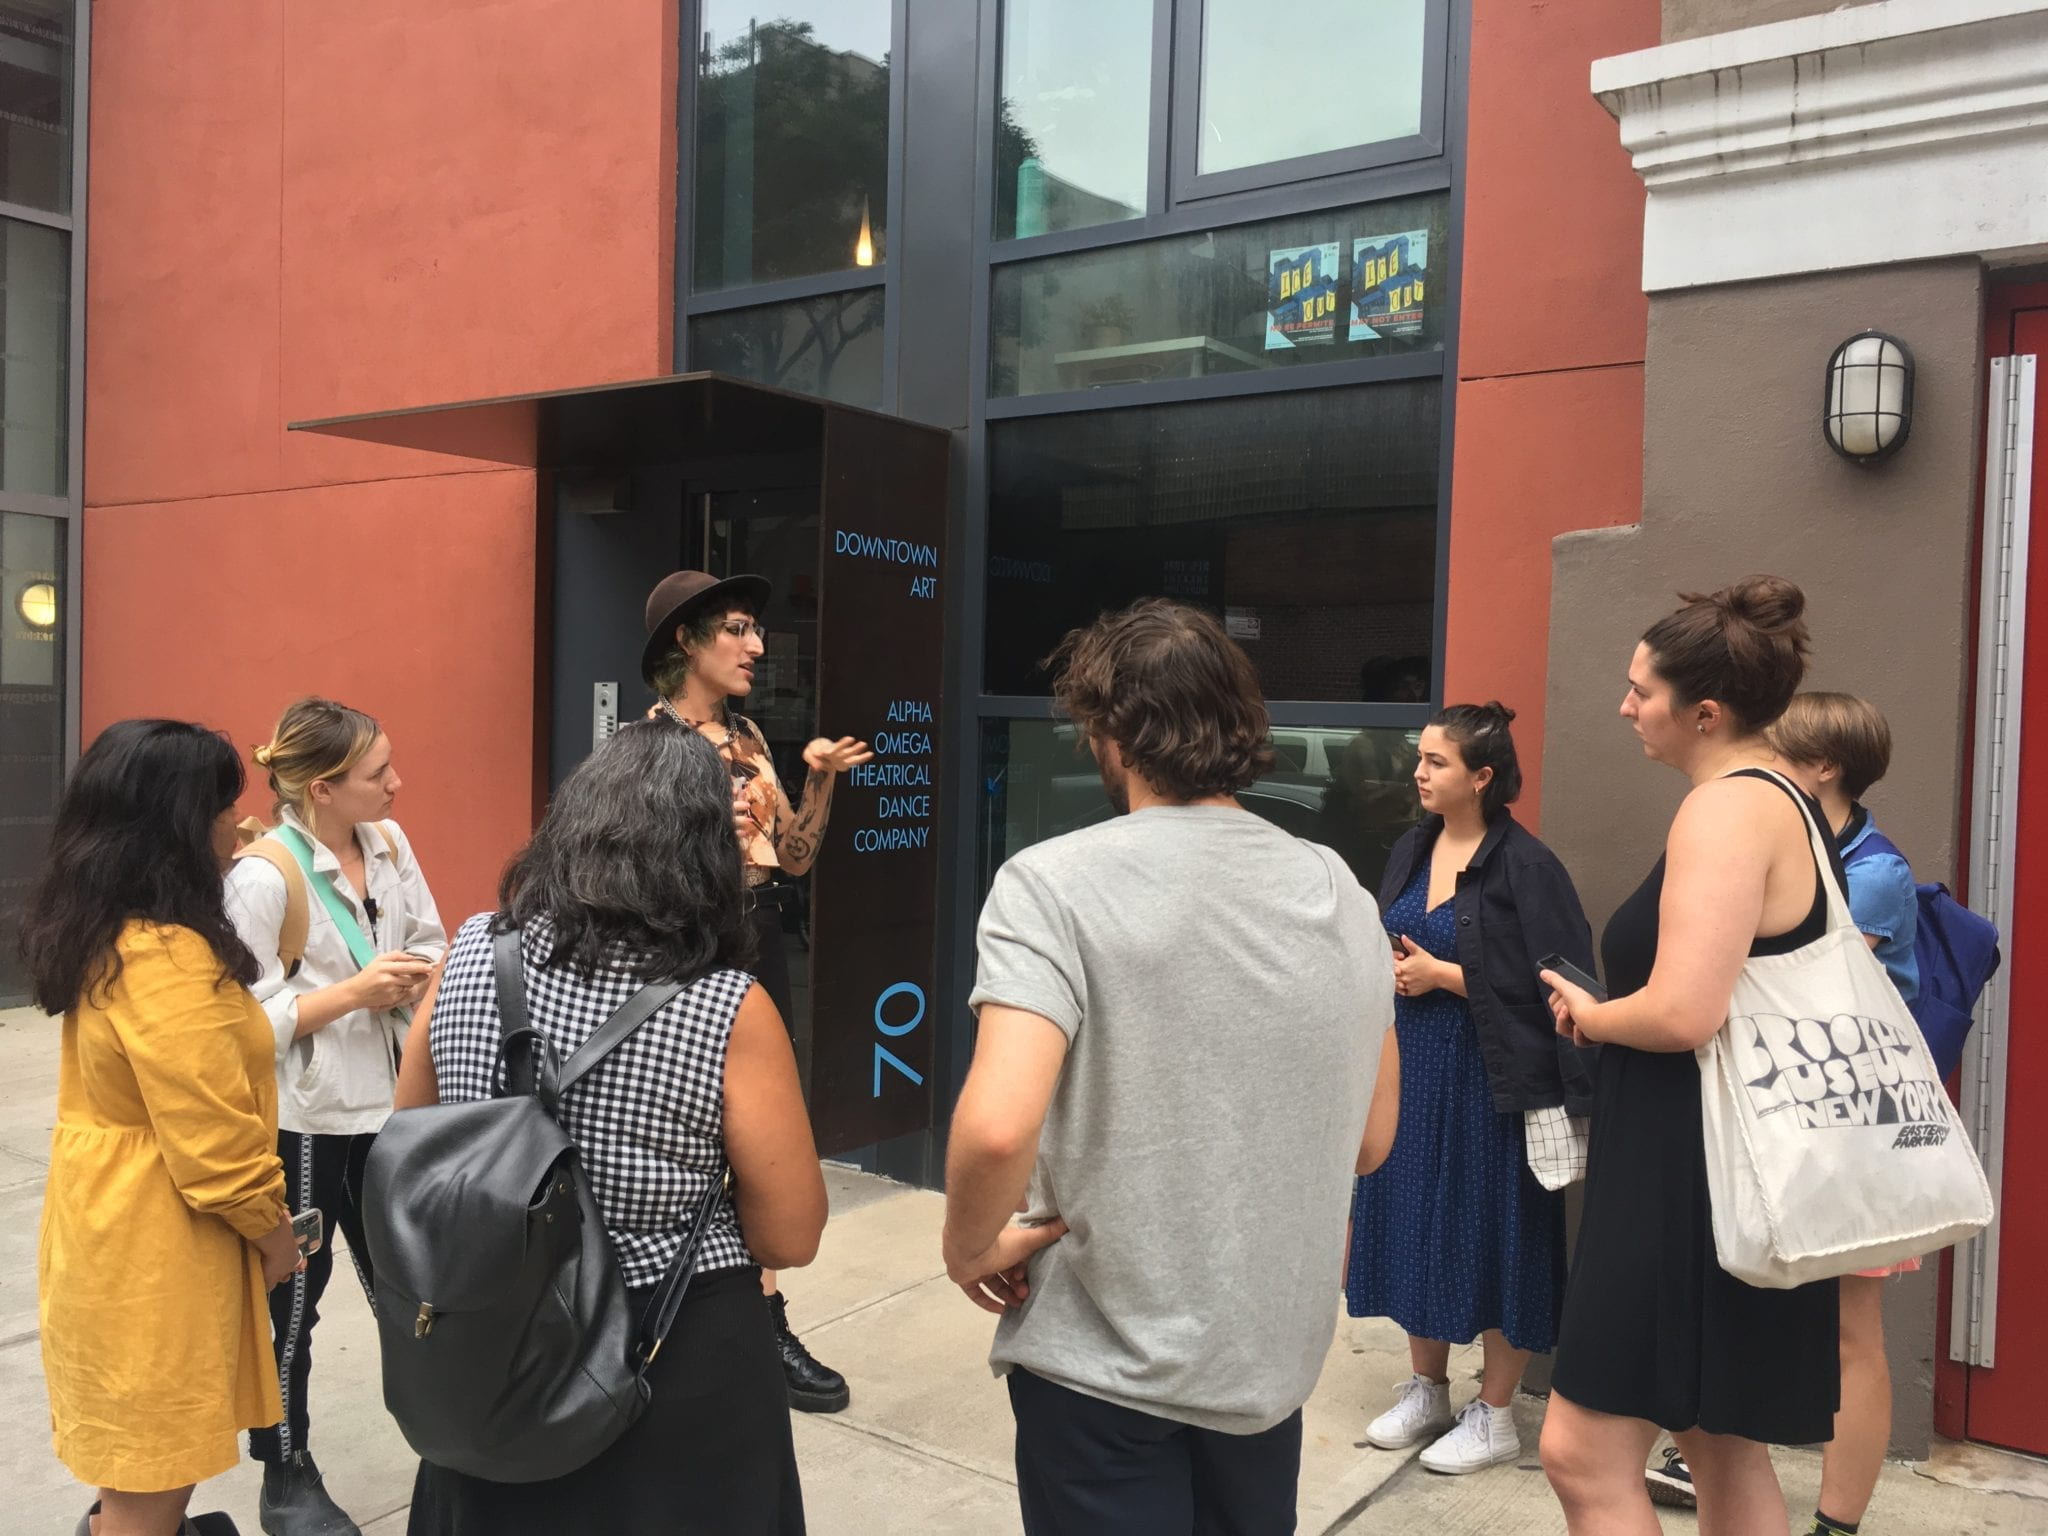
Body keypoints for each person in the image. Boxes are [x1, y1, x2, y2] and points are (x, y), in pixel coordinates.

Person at [945, 598, 1398, 1534]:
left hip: (1103, 1367)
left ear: (1111, 733)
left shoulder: (1052, 884)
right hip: (1265, 1366)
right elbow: (1372, 1141)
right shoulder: (1341, 891)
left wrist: (968, 1247)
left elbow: (996, 1124)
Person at [392, 719, 824, 1535]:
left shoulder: (472, 952)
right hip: (674, 1345)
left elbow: (411, 1136)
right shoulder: (727, 1005)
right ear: (705, 852)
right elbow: (789, 1235)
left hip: (493, 1331)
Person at [1541, 576, 1842, 1536]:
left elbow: (1682, 1015)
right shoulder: (1785, 800)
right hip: (1723, 1161)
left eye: (1642, 690)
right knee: (1719, 1439)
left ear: (1703, 713)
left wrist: (1593, 1012)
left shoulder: (1724, 810)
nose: (1626, 706)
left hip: (1690, 1167)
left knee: (1582, 1452)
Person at [21, 720, 304, 1536]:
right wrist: (272, 1231)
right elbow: (214, 1145)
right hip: (159, 1247)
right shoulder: (166, 956)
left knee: (134, 1472)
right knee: (151, 1481)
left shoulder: (110, 931)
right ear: (180, 820)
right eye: (225, 806)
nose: (242, 826)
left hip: (113, 1225)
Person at [1646, 692, 1917, 1535]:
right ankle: (1717, 1456)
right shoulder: (1789, 834)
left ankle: (1837, 1521)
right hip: (1775, 1125)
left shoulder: (1871, 872)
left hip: (1843, 1127)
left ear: (1825, 767)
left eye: (1782, 746)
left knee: (1847, 1326)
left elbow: (1785, 998)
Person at [640, 568, 869, 1413]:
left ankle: (760, 1314)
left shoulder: (748, 739)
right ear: (685, 642)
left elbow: (797, 859)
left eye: (755, 630)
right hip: (694, 941)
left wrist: (819, 779)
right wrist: (704, 836)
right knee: (704, 1126)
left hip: (761, 931)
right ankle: (733, 1317)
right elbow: (630, 876)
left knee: (763, 1128)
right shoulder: (648, 749)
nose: (758, 646)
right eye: (736, 628)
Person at [1349, 702, 1597, 1474]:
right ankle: (1428, 1388)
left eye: (1437, 762)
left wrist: (1443, 975)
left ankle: (1495, 1415)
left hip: (1493, 1083)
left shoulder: (1527, 865)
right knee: (1413, 1219)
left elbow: (1565, 986)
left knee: (1496, 1232)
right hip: (1412, 1072)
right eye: (1419, 758)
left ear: (1483, 777)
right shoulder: (1413, 847)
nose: (1418, 773)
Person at [224, 699, 446, 1536]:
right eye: (377, 772)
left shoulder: (389, 844)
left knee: (417, 1287)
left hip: (395, 1110)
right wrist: (353, 992)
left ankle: (450, 1441)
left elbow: (432, 934)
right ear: (322, 789)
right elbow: (239, 1019)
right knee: (294, 1303)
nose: (397, 782)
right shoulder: (262, 876)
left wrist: (417, 973)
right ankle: (286, 1469)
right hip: (310, 1122)